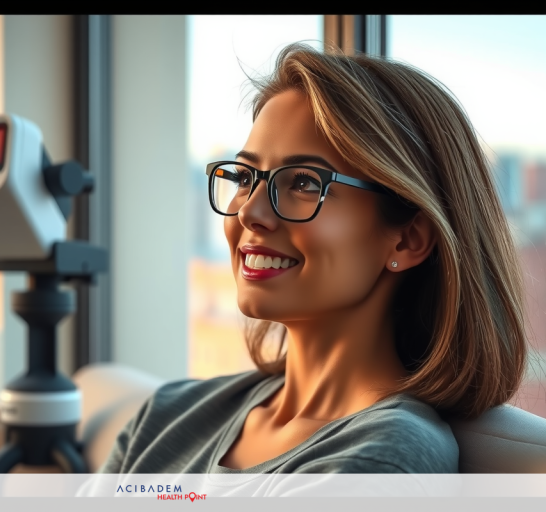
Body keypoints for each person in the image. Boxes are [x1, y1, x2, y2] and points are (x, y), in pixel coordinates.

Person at [98, 43, 527, 474]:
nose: (249, 211)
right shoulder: (165, 416)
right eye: (246, 177)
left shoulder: (379, 459)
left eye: (303, 182)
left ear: (408, 240)